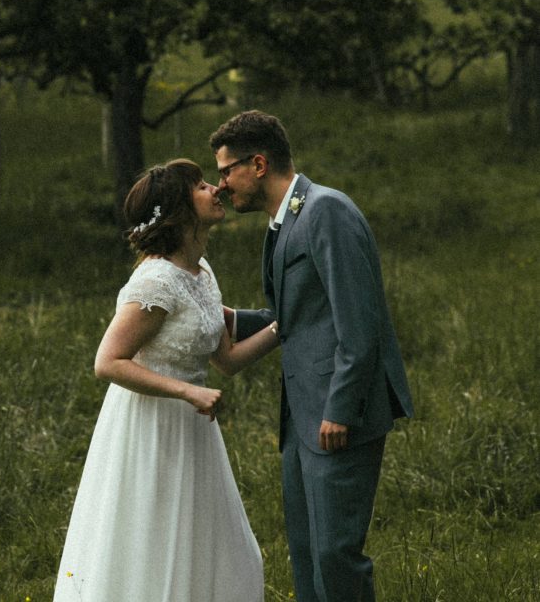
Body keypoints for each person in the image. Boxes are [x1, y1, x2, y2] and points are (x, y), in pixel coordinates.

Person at [52, 159, 279, 602]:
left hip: (193, 431)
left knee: (219, 548)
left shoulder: (201, 272)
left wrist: (283, 327)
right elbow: (108, 361)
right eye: (199, 186)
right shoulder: (156, 280)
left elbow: (227, 360)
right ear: (178, 210)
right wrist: (187, 390)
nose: (215, 189)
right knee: (152, 544)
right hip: (150, 427)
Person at [210, 111, 413, 602]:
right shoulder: (284, 222)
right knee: (306, 554)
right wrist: (224, 317)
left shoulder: (326, 211)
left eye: (225, 170)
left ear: (258, 164)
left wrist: (339, 409)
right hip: (300, 418)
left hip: (336, 415)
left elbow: (358, 323)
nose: (219, 186)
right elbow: (295, 315)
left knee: (335, 558)